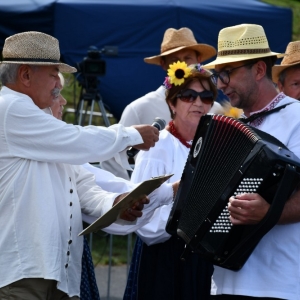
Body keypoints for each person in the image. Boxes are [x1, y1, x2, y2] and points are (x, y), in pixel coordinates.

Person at [0, 31, 178, 300]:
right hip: (23, 275)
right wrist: (131, 134)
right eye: (52, 74)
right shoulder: (9, 107)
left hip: (56, 274)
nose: (58, 86)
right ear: (25, 75)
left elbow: (82, 186)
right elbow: (77, 139)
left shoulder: (43, 130)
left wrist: (118, 203)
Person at [203, 24, 300, 299]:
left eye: (227, 73)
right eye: (217, 75)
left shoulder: (297, 118)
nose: (220, 84)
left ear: (259, 70)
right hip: (225, 282)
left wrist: (269, 213)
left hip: (280, 284)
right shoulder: (234, 126)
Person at [123, 62, 217, 300]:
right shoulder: (157, 148)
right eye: (188, 96)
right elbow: (145, 222)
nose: (198, 103)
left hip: (204, 260)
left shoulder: (214, 146)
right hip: (166, 258)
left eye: (206, 97)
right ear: (172, 103)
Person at [101, 27, 223, 179]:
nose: (183, 65)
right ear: (163, 64)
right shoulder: (139, 108)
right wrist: (126, 196)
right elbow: (111, 158)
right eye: (175, 60)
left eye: (187, 58)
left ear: (199, 61)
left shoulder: (216, 110)